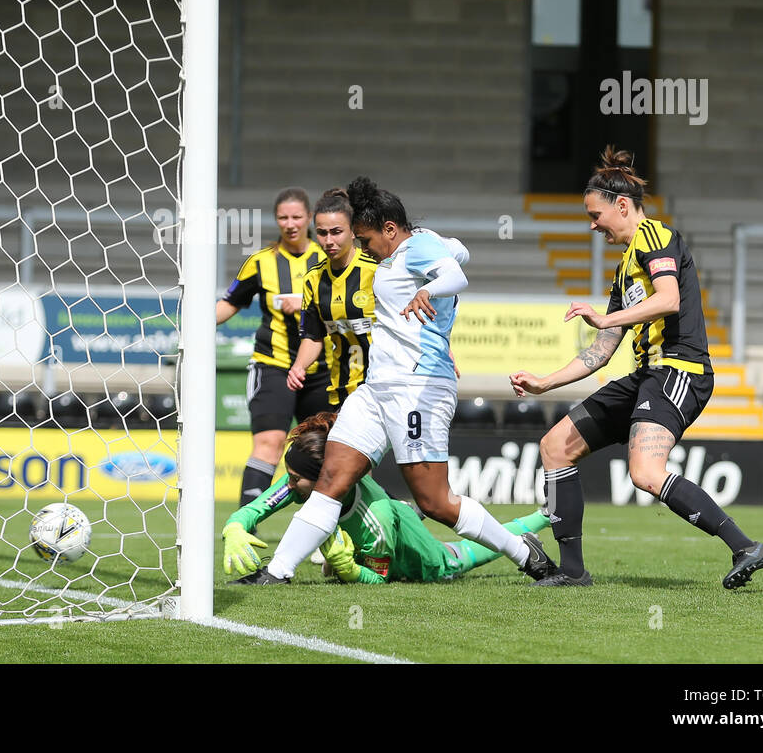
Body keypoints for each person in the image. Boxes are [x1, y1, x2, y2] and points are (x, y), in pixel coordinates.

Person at [235, 177, 555, 584]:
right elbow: (460, 250)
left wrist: (431, 291)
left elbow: (457, 275)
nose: (364, 248)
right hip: (377, 388)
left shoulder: (415, 249)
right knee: (332, 477)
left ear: (389, 229)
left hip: (418, 387)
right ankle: (277, 571)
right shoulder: (416, 244)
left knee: (436, 501)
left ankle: (524, 553)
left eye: (366, 239)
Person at [509, 147, 763, 589]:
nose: (592, 225)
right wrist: (544, 383)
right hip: (644, 375)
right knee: (555, 446)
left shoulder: (655, 236)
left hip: (679, 368)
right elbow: (603, 349)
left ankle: (744, 546)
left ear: (623, 206)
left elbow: (669, 299)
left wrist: (605, 316)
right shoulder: (624, 270)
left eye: (596, 215)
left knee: (646, 474)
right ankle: (573, 572)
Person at [222, 412, 550, 584]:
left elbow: (379, 579)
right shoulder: (300, 481)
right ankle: (542, 518)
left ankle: (545, 517)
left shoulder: (373, 519)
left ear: (324, 478)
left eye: (295, 479)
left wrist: (348, 570)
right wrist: (236, 528)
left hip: (423, 560)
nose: (289, 486)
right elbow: (254, 509)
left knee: (461, 555)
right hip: (389, 521)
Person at [217, 188, 329, 508]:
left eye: (297, 217)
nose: (290, 223)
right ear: (275, 220)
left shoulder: (327, 258)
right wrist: (194, 324)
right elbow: (230, 303)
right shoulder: (261, 262)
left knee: (324, 448)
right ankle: (245, 527)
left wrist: (306, 303)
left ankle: (330, 532)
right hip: (273, 363)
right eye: (283, 217)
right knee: (270, 441)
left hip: (322, 370)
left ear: (309, 218)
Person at [286, 188, 377, 409]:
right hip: (343, 391)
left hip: (382, 388)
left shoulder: (377, 270)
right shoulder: (313, 279)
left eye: (336, 232)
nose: (328, 240)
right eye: (322, 232)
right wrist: (298, 367)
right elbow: (313, 335)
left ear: (353, 231)